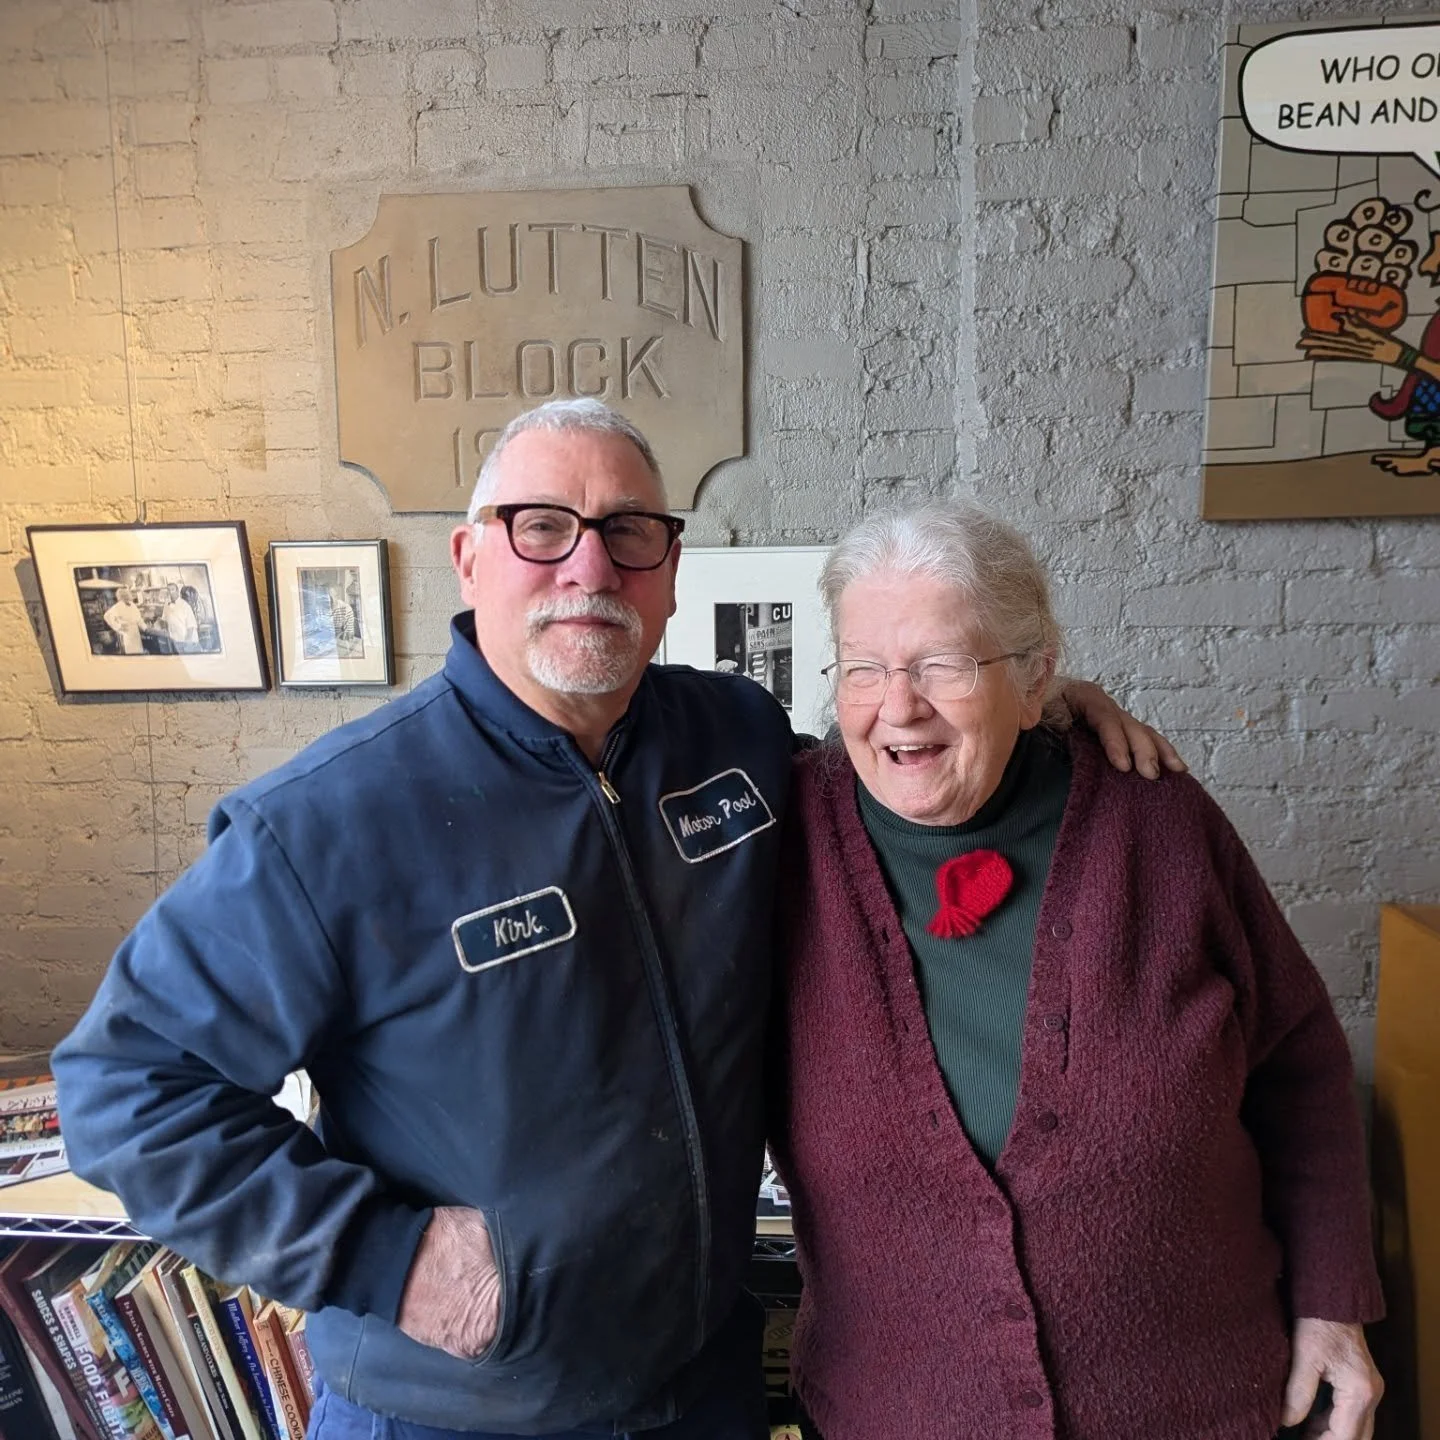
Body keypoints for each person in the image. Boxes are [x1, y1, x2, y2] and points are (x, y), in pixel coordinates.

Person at [52, 400, 1172, 1440]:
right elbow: (124, 1088)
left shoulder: (732, 735)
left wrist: (1039, 714)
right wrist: (387, 1258)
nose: (588, 566)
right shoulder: (327, 826)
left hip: (704, 1384)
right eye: (543, 527)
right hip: (460, 1412)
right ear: (471, 556)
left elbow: (903, 768)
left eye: (629, 532)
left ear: (670, 570)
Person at [768, 500, 1385, 1440]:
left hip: (1200, 1406)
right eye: (865, 667)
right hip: (894, 1413)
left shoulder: (1158, 822)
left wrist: (1333, 1303)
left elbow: (1298, 1064)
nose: (898, 704)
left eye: (944, 664)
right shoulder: (775, 840)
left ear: (1035, 678)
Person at [101, 585, 145, 654]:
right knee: (131, 653)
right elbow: (107, 616)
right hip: (127, 632)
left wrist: (144, 627)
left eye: (129, 594)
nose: (130, 596)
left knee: (139, 652)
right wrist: (118, 626)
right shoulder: (118, 606)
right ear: (122, 596)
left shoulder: (132, 604)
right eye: (127, 594)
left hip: (135, 632)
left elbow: (138, 618)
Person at [161, 581, 201, 653]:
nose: (170, 592)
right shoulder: (166, 604)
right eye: (168, 590)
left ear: (177, 591)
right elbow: (165, 621)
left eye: (172, 589)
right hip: (175, 642)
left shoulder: (185, 605)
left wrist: (186, 644)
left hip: (188, 643)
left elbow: (191, 627)